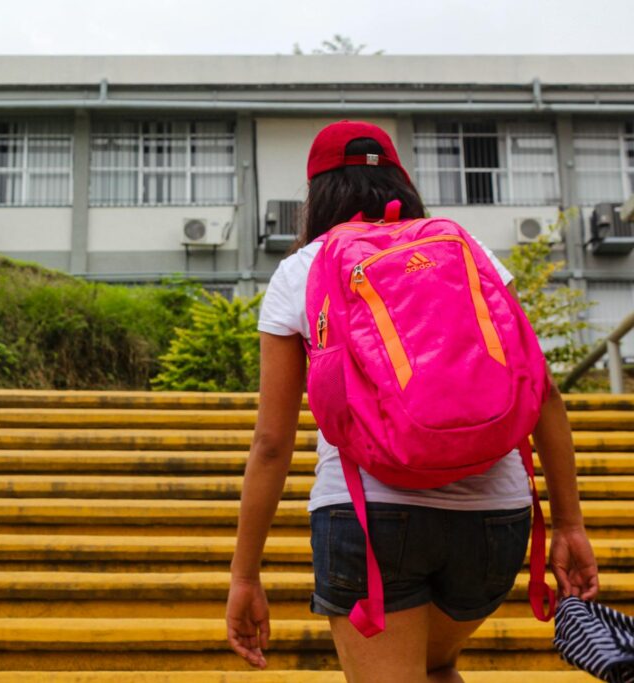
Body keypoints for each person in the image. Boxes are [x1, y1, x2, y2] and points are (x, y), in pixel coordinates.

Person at [225, 121, 600, 682]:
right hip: (495, 515)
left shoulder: (302, 269)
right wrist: (569, 524)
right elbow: (541, 391)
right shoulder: (467, 251)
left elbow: (272, 442)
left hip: (370, 517)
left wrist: (244, 575)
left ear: (317, 192)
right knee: (436, 666)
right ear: (400, 179)